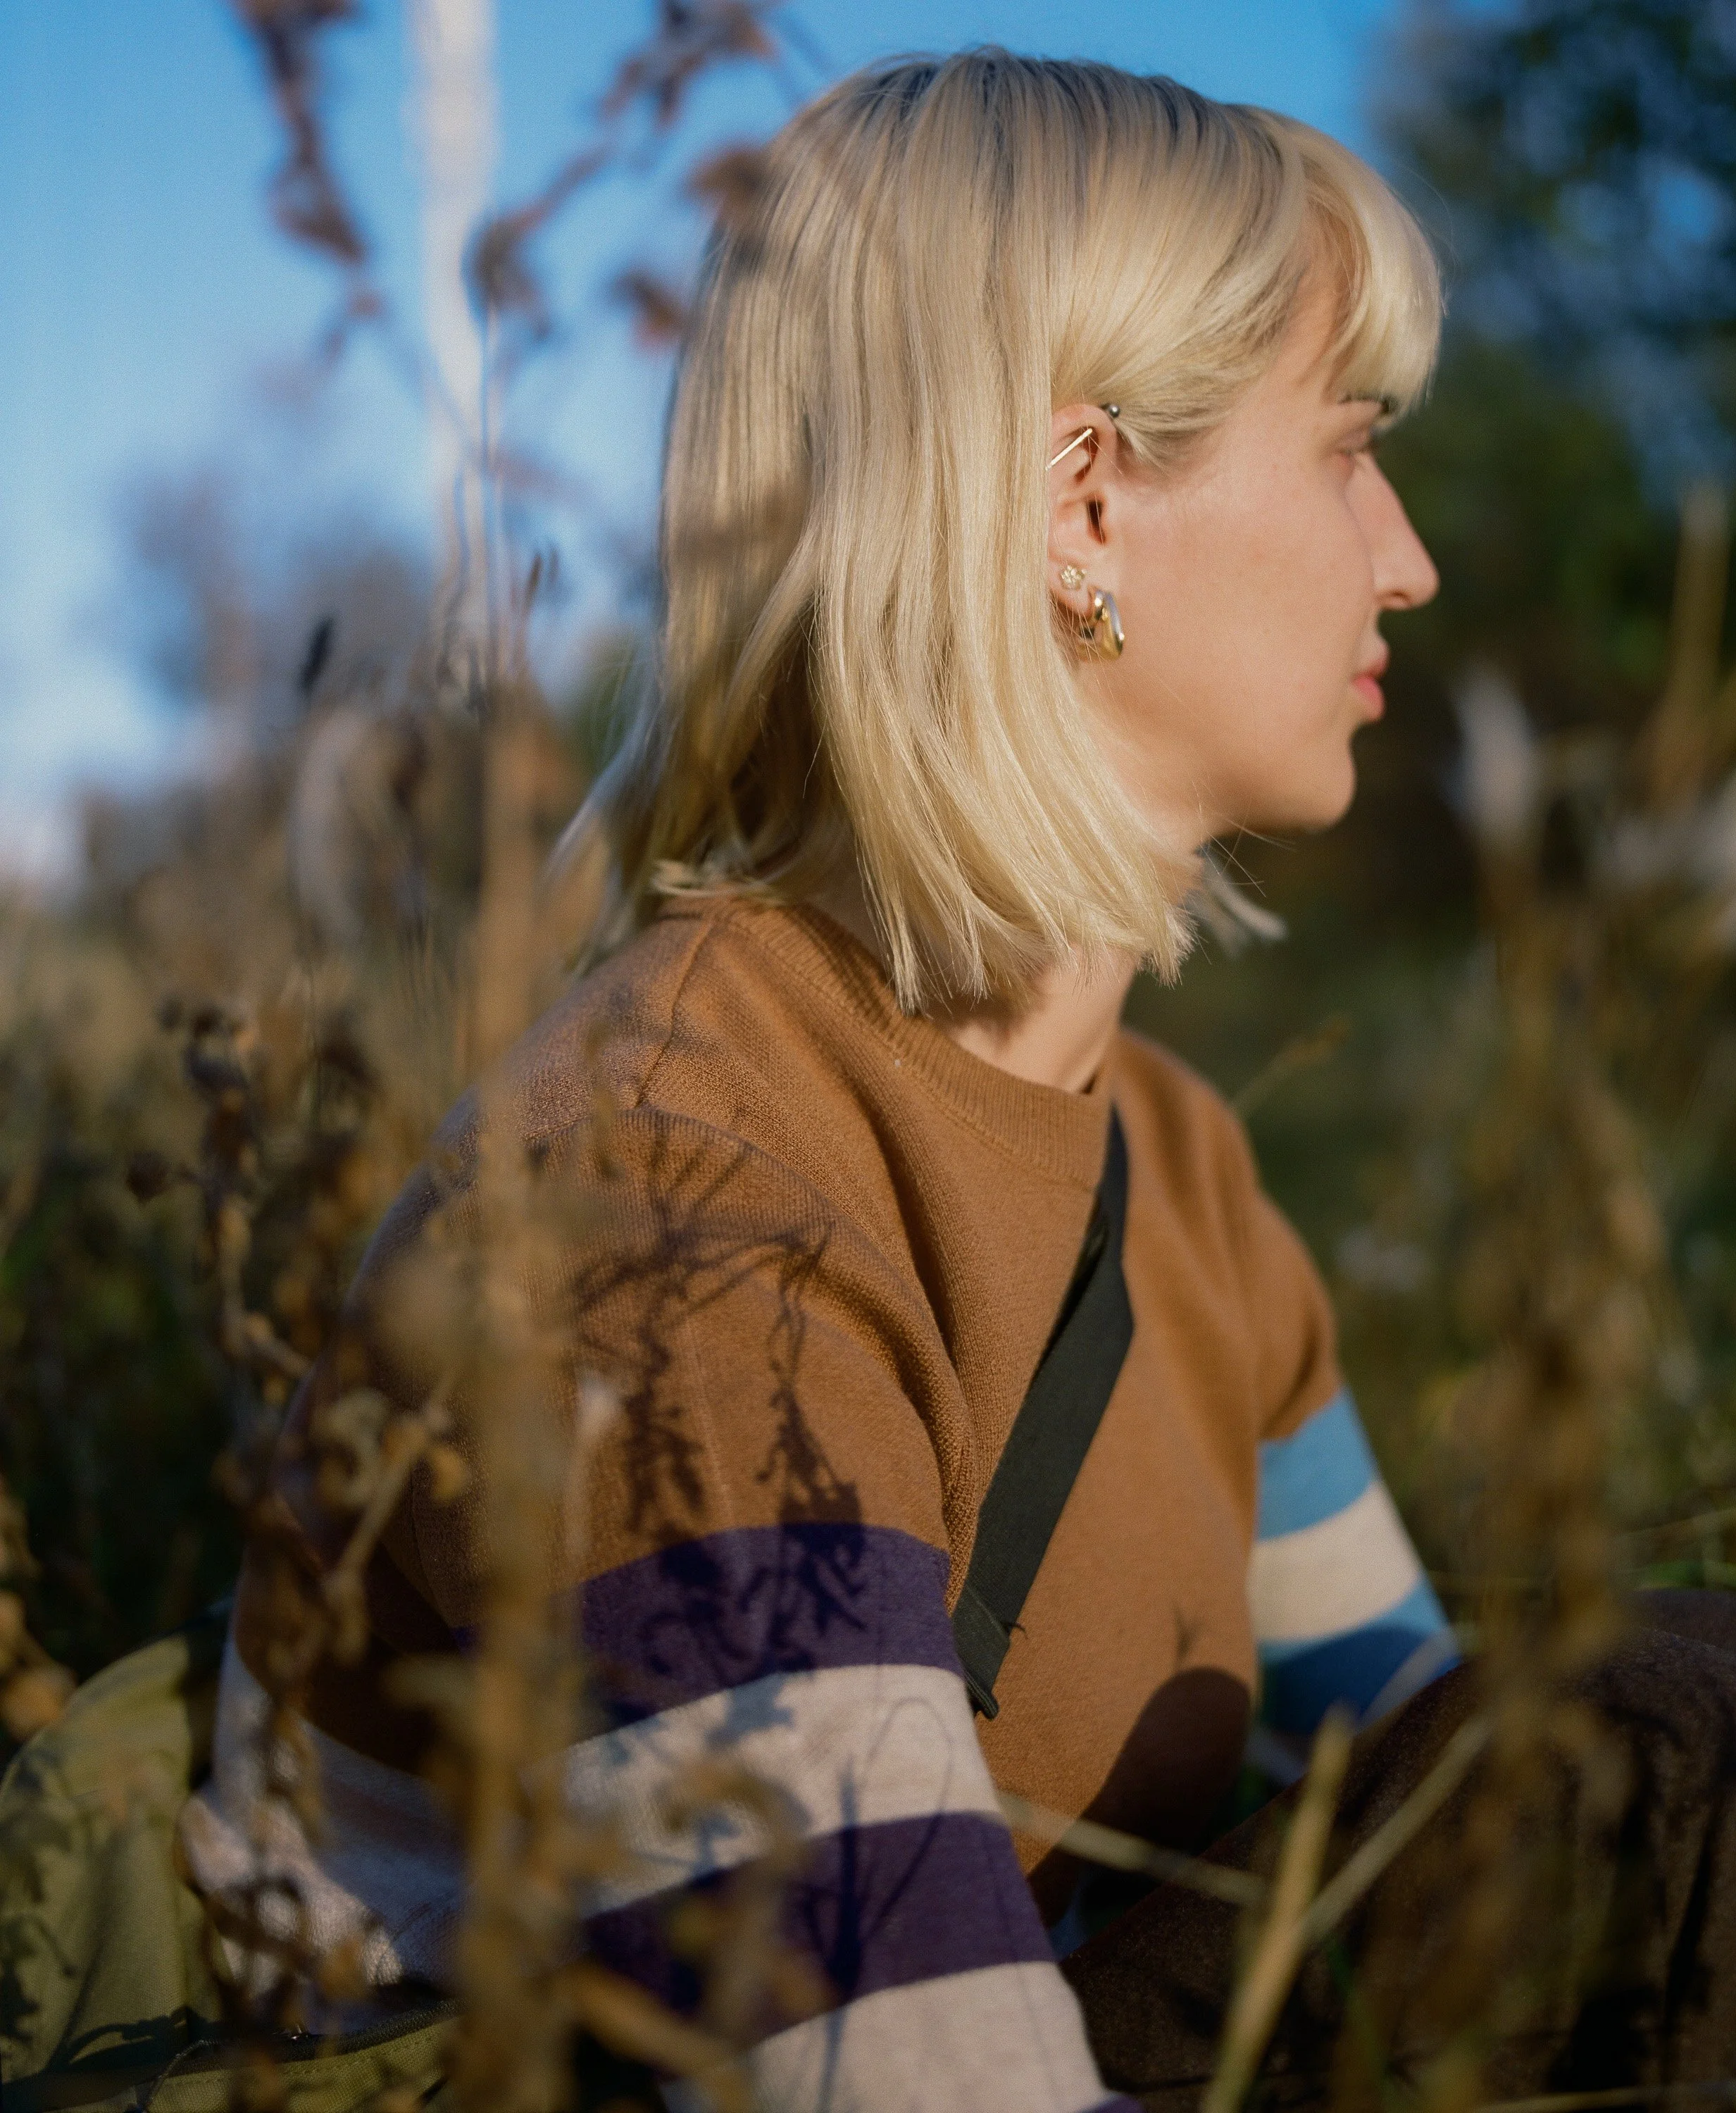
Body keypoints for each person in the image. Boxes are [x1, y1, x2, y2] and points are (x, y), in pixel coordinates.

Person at [185, 48, 1472, 2109]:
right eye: (1346, 450)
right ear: (1082, 506)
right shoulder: (668, 1188)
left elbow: (1453, 1786)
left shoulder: (1184, 1170)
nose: (1404, 557)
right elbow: (898, 2079)